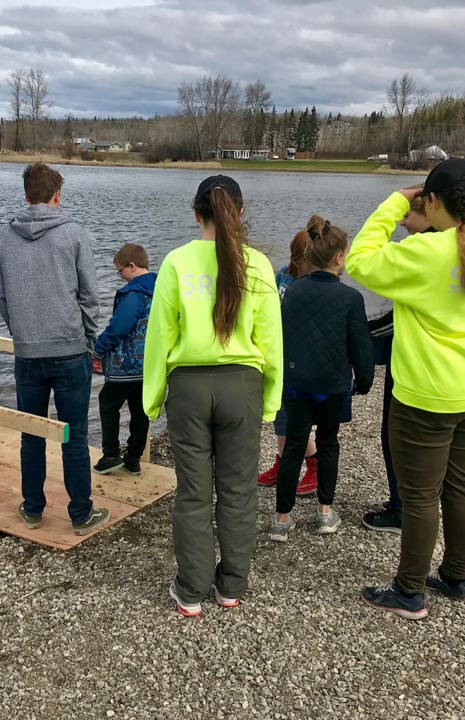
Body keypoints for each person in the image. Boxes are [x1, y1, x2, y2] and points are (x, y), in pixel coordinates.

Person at [346, 159, 465, 620]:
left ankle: (409, 590)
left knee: (419, 496)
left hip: (429, 394)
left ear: (432, 202)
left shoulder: (427, 254)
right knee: (461, 483)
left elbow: (359, 259)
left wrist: (396, 202)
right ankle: (455, 577)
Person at [143, 175, 282, 616]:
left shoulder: (176, 262)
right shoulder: (257, 263)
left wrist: (152, 398)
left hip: (189, 388)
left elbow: (160, 337)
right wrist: (272, 398)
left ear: (195, 213)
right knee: (239, 491)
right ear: (239, 212)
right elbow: (271, 339)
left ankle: (191, 589)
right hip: (242, 386)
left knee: (193, 493)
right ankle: (231, 587)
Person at [0, 162, 109, 536]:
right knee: (74, 435)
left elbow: (1, 297)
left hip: (27, 353)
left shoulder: (4, 237)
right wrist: (89, 338)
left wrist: (22, 332)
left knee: (32, 436)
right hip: (70, 350)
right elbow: (91, 296)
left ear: (26, 195)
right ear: (57, 195)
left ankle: (32, 509)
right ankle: (80, 514)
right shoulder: (74, 234)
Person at [268, 217, 374, 542]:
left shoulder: (291, 293)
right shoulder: (351, 299)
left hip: (297, 384)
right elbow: (360, 347)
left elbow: (279, 338)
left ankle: (282, 519)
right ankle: (325, 513)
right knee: (328, 445)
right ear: (339, 257)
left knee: (294, 449)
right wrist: (364, 381)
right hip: (332, 387)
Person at [362, 189, 435, 534]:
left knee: (397, 439)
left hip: (411, 366)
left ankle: (403, 508)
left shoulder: (420, 253)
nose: (403, 222)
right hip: (459, 373)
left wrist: (357, 333)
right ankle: (421, 507)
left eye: (408, 215)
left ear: (430, 211)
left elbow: (362, 260)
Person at [256, 220, 319, 495]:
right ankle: (282, 463)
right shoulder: (281, 276)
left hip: (300, 361)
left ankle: (315, 464)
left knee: (295, 418)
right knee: (278, 416)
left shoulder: (317, 285)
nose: (304, 266)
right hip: (277, 356)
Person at [91, 243, 157, 476]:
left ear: (131, 266)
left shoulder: (134, 292)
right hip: (151, 364)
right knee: (140, 410)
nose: (120, 277)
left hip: (126, 364)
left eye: (119, 271)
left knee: (107, 402)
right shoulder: (162, 287)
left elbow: (120, 326)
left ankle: (110, 455)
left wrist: (98, 350)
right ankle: (133, 459)